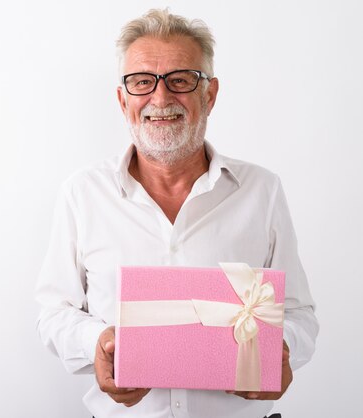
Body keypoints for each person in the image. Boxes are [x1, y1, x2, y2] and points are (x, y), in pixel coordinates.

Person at [35, 8, 319, 418]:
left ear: (210, 94)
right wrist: (96, 342)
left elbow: (298, 313)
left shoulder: (263, 190)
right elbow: (54, 313)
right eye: (141, 82)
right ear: (122, 99)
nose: (161, 98)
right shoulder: (82, 193)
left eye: (181, 80)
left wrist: (281, 348)